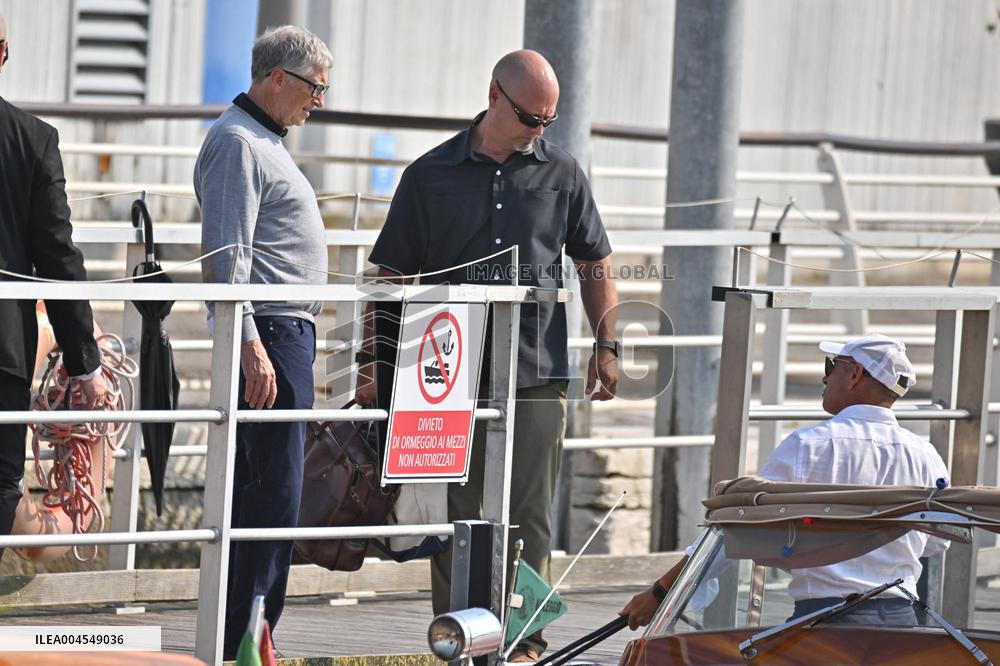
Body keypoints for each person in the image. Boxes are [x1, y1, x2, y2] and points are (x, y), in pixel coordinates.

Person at [359, 49, 619, 662]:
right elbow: (391, 274)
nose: (541, 132)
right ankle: (459, 637)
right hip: (444, 373)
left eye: (549, 121)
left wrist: (607, 345)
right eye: (532, 118)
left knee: (531, 513)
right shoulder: (428, 174)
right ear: (495, 96)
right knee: (458, 514)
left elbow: (596, 262)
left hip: (536, 369)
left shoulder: (564, 172)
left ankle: (525, 641)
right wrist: (375, 364)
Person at [620, 334, 949, 629]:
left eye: (831, 365)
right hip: (901, 621)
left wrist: (662, 592)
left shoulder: (808, 445)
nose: (824, 375)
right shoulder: (926, 454)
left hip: (824, 621)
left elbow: (737, 528)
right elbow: (938, 541)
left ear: (854, 374)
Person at [195, 24, 331, 659]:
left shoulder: (262, 139)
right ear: (278, 77)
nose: (319, 101)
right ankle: (246, 640)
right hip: (269, 333)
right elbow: (229, 257)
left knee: (275, 494)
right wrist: (249, 342)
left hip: (285, 331)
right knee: (271, 494)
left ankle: (252, 634)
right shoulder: (239, 143)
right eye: (314, 88)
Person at [0, 12, 107, 560]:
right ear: (3, 52)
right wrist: (85, 362)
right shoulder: (32, 140)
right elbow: (58, 258)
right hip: (3, 355)